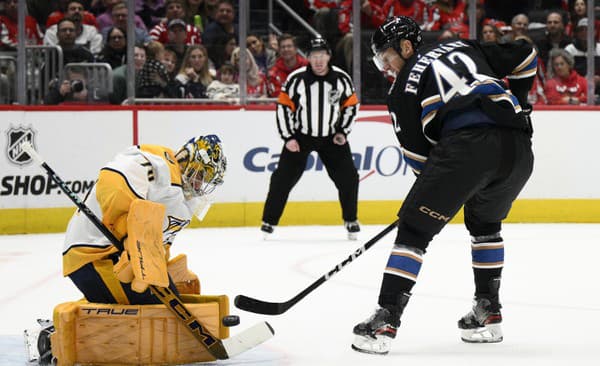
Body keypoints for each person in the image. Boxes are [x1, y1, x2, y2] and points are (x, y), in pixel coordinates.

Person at [352, 16, 536, 354]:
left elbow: (423, 163)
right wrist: (521, 101)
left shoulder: (403, 86)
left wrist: (431, 202)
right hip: (520, 150)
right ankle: (488, 313)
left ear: (406, 47)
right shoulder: (464, 44)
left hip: (467, 148)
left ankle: (385, 319)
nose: (387, 67)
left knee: (413, 232)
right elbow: (526, 53)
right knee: (485, 225)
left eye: (388, 57)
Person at [62, 135, 226, 305]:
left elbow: (158, 241)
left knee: (171, 303)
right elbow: (113, 178)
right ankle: (62, 328)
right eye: (200, 175)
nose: (200, 185)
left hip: (117, 256)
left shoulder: (183, 201)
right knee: (156, 310)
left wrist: (157, 263)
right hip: (94, 253)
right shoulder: (160, 165)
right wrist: (127, 234)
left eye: (205, 180)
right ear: (188, 160)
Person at [261, 37, 360, 240]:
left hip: (332, 138)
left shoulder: (342, 79)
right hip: (301, 136)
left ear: (328, 56)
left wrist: (343, 131)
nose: (318, 60)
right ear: (308, 58)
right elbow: (283, 108)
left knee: (348, 178)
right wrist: (288, 137)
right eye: (314, 56)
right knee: (282, 179)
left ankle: (351, 219)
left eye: (322, 55)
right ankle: (269, 221)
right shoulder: (296, 79)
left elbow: (351, 106)